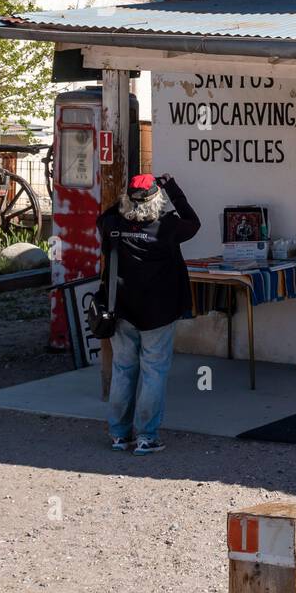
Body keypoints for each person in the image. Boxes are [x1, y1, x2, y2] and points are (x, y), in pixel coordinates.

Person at [96, 172, 200, 455]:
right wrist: (173, 189)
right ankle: (146, 438)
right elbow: (194, 222)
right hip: (158, 312)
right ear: (157, 200)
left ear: (126, 200)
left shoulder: (112, 224)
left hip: (121, 310)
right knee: (154, 373)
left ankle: (119, 435)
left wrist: (125, 197)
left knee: (123, 370)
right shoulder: (167, 227)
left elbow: (103, 215)